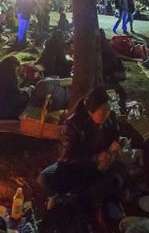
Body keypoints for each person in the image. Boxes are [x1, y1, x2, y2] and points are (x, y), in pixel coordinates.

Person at [38, 88, 123, 218]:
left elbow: (116, 135)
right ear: (91, 111)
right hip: (77, 167)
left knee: (116, 180)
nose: (107, 114)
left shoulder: (110, 117)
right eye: (103, 111)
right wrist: (95, 158)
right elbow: (68, 157)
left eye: (109, 110)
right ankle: (81, 198)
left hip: (100, 166)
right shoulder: (73, 124)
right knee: (44, 177)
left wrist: (114, 148)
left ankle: (70, 199)